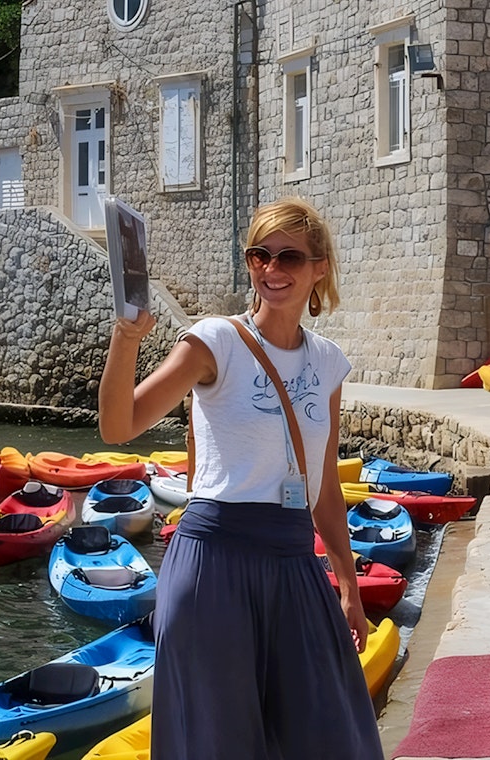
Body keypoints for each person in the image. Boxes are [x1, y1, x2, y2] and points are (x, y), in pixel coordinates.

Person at [99, 197, 384, 759]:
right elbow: (118, 425)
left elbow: (326, 487)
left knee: (330, 734)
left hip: (294, 561)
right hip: (214, 563)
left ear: (319, 267)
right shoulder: (215, 341)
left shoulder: (328, 362)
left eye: (290, 258)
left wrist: (349, 585)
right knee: (216, 742)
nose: (273, 270)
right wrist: (127, 337)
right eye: (261, 255)